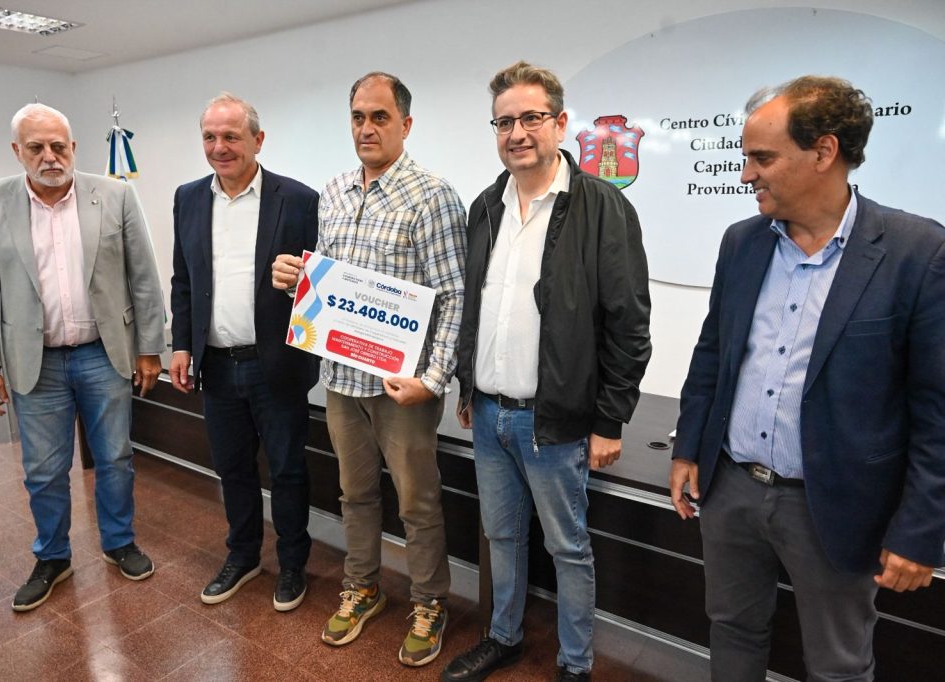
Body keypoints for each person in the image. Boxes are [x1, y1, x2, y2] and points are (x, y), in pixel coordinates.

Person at [669, 76, 945, 681]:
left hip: (837, 504)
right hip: (730, 488)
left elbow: (938, 411)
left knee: (838, 664)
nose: (746, 174)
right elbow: (713, 352)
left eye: (763, 158)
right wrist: (688, 446)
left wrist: (922, 530)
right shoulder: (742, 243)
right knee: (732, 629)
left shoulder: (917, 252)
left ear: (824, 152)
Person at [443, 61, 651, 682]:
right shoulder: (486, 207)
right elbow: (473, 305)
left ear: (560, 123)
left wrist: (610, 420)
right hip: (488, 413)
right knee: (501, 536)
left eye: (531, 118)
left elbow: (629, 323)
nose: (517, 133)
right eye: (504, 122)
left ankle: (575, 664)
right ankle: (503, 637)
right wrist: (466, 383)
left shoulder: (603, 207)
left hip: (555, 422)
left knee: (567, 547)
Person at [272, 72, 466, 667]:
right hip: (340, 380)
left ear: (405, 124)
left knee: (417, 503)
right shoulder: (333, 192)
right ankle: (362, 587)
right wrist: (295, 281)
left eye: (379, 117)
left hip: (401, 388)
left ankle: (430, 601)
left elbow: (454, 296)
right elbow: (331, 288)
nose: (366, 128)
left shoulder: (432, 196)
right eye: (358, 117)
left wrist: (432, 380)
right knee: (354, 495)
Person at [0, 103, 165, 611]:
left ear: (73, 147)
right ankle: (53, 556)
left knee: (115, 458)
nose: (49, 157)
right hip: (36, 362)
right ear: (18, 151)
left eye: (59, 146)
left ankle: (119, 543)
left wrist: (149, 349)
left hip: (103, 354)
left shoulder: (114, 195)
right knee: (44, 470)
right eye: (36, 148)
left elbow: (143, 277)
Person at [170, 92, 319, 609]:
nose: (220, 147)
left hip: (276, 364)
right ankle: (243, 555)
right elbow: (183, 280)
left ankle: (293, 564)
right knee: (231, 468)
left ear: (258, 139)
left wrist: (300, 283)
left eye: (231, 136)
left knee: (288, 470)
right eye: (210, 137)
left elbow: (321, 282)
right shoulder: (189, 198)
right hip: (215, 364)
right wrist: (181, 345)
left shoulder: (297, 199)